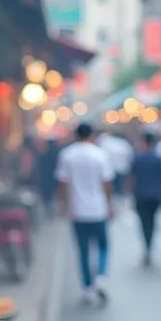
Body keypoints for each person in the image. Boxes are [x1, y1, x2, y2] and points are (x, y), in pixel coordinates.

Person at [56, 122, 114, 304]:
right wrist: (110, 204)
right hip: (98, 209)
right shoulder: (100, 155)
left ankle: (88, 287)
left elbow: (63, 184)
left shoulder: (67, 155)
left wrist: (62, 205)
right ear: (92, 135)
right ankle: (101, 276)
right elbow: (107, 183)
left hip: (77, 210)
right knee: (103, 245)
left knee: (83, 250)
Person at [128, 131, 161, 265]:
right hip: (155, 195)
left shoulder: (138, 158)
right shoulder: (158, 159)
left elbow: (132, 178)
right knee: (152, 222)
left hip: (141, 194)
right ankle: (149, 246)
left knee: (144, 223)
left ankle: (147, 246)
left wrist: (131, 193)